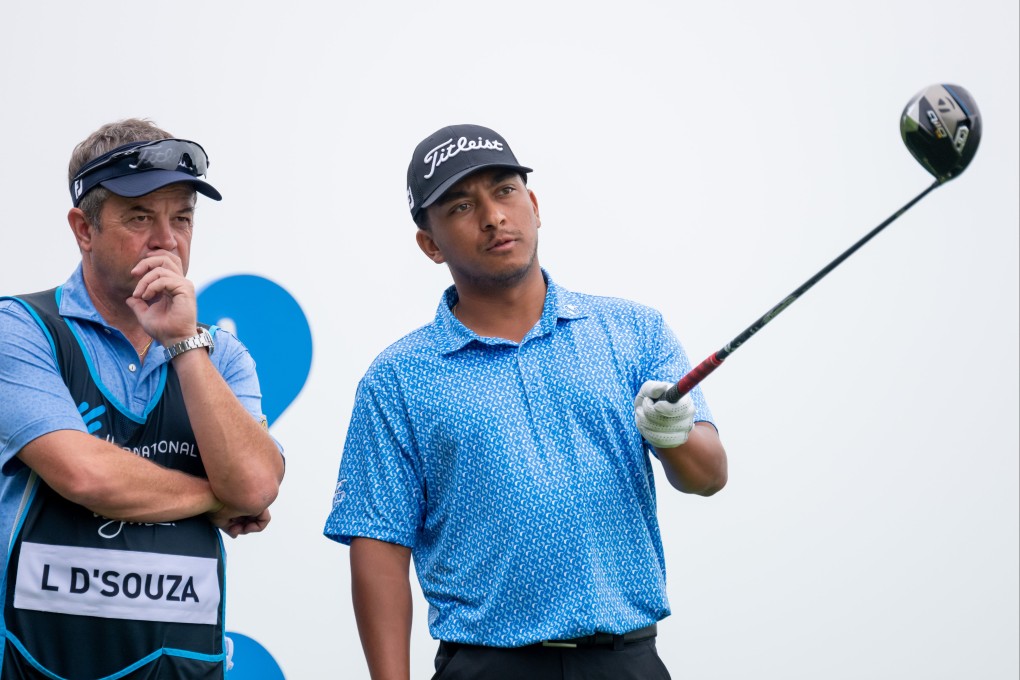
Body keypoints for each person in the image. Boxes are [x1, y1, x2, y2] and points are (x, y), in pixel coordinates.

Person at [324, 124, 728, 680]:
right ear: (430, 244)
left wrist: (674, 433)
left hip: (625, 662)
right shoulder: (397, 378)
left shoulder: (634, 330)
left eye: (505, 191)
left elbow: (708, 477)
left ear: (534, 206)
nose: (493, 216)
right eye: (461, 205)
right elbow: (379, 549)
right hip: (485, 665)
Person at [0, 118, 285, 678]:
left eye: (182, 218)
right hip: (41, 665)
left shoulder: (221, 354)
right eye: (139, 217)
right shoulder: (22, 328)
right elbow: (86, 476)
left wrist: (183, 343)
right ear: (83, 229)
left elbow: (254, 488)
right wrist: (216, 497)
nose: (166, 240)